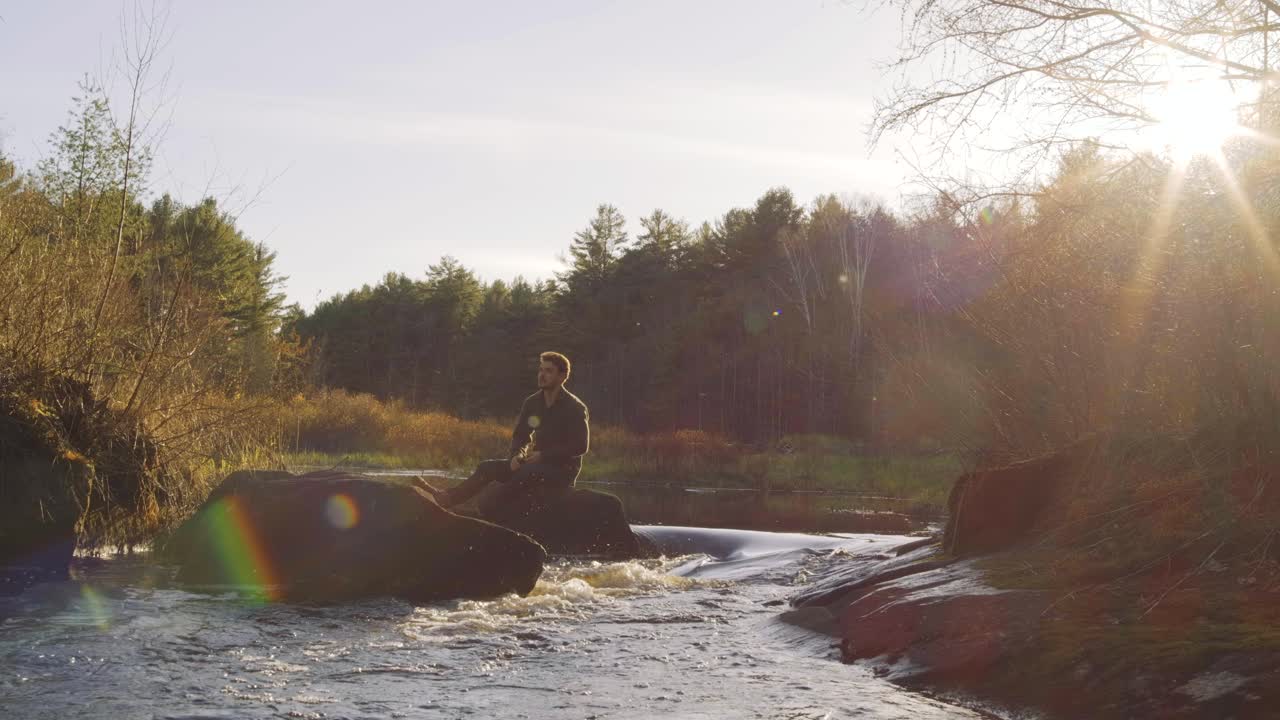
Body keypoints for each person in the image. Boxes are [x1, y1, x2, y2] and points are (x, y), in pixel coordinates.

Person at [425, 351, 589, 526]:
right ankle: (448, 498)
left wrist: (544, 455)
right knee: (487, 467)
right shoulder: (532, 403)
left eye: (549, 371)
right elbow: (521, 435)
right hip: (535, 463)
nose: (542, 375)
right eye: (540, 370)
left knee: (525, 472)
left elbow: (581, 446)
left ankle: (486, 512)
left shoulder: (575, 407)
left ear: (563, 376)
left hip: (562, 470)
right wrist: (516, 456)